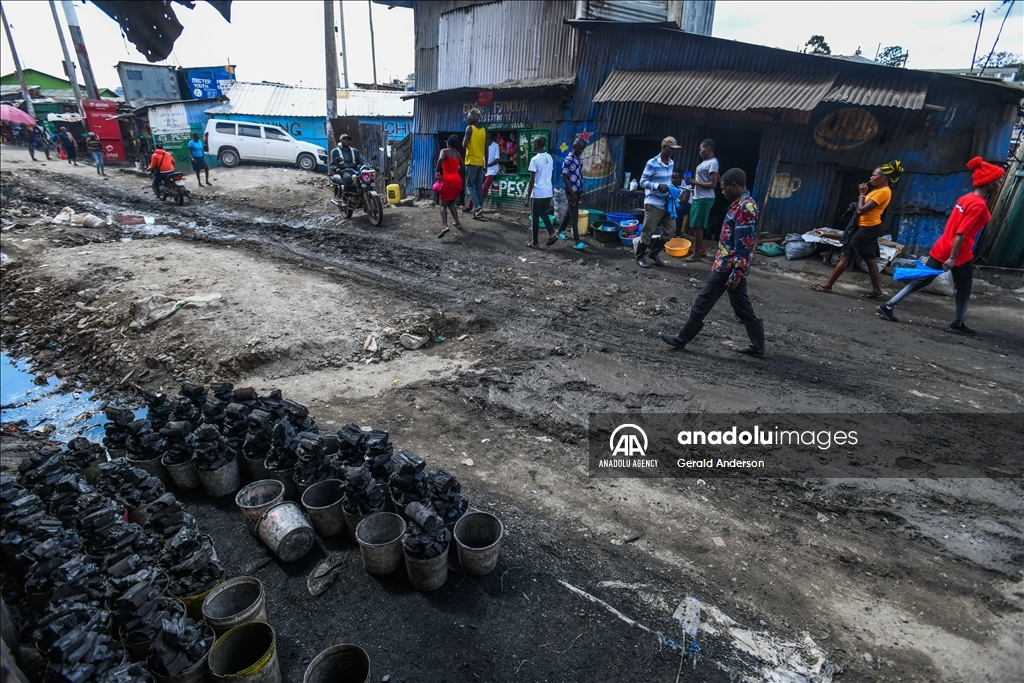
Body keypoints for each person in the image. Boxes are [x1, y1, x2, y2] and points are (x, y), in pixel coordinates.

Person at [876, 157, 1003, 336]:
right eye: (998, 180)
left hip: (943, 245)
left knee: (924, 279)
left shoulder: (966, 198)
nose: (1000, 182)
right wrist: (953, 258)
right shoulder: (978, 205)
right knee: (964, 286)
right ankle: (958, 323)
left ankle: (888, 306)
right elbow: (961, 233)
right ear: (988, 182)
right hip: (958, 252)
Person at [660, 168, 764, 356]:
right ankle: (758, 346)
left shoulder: (745, 207)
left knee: (704, 300)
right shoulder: (739, 204)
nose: (722, 192)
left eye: (724, 189)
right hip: (727, 264)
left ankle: (682, 338)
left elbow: (744, 244)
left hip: (728, 267)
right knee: (742, 307)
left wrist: (736, 272)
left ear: (734, 186)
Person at [812, 160, 903, 298]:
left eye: (874, 175)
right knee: (870, 259)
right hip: (870, 228)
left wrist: (861, 194)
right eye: (872, 175)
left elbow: (861, 210)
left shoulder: (883, 192)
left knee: (845, 255)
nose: (871, 177)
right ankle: (877, 291)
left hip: (867, 229)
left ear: (883, 178)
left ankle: (827, 285)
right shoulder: (879, 190)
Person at [636, 137, 681, 268]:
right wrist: (657, 186)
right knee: (648, 230)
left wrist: (671, 188)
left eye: (674, 149)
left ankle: (653, 253)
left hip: (666, 203)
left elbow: (667, 181)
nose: (673, 151)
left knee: (671, 230)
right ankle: (639, 257)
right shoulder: (652, 163)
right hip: (653, 202)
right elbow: (642, 182)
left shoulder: (671, 163)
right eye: (671, 148)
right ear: (664, 147)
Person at [688, 139, 719, 260]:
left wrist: (693, 182)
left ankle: (696, 254)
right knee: (695, 225)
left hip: (704, 198)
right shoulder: (706, 162)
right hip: (698, 197)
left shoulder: (713, 162)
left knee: (697, 226)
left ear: (709, 148)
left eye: (702, 148)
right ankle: (702, 250)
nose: (700, 151)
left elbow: (713, 184)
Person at [524, 135, 556, 249]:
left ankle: (535, 242)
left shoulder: (534, 159)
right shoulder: (549, 157)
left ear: (536, 144)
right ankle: (552, 233)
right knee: (543, 213)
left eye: (533, 143)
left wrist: (528, 198)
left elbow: (532, 180)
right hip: (548, 192)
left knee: (535, 216)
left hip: (538, 193)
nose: (532, 145)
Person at [557, 138, 588, 251]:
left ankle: (559, 231)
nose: (581, 150)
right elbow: (564, 177)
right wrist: (572, 192)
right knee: (574, 216)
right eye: (579, 148)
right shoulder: (568, 159)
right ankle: (577, 241)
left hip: (578, 189)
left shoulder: (580, 159)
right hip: (571, 191)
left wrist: (581, 190)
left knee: (569, 213)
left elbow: (580, 175)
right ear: (574, 147)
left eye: (582, 148)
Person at [435, 134, 464, 239]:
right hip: (457, 181)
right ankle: (458, 223)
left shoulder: (444, 151)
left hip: (448, 180)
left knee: (442, 205)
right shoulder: (458, 154)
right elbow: (462, 167)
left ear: (448, 143)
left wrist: (437, 170)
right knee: (451, 202)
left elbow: (441, 159)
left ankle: (445, 226)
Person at [462, 108, 487, 219]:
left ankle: (477, 207)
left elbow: (464, 144)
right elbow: (486, 149)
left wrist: (465, 141)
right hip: (480, 162)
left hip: (471, 161)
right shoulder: (483, 130)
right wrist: (485, 163)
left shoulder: (469, 128)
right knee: (478, 187)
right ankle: (478, 210)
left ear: (471, 118)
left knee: (469, 186)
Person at [672, 170, 694, 237]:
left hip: (688, 205)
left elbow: (684, 201)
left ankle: (677, 232)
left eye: (675, 178)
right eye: (672, 178)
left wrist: (674, 204)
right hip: (676, 203)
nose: (673, 180)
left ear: (681, 178)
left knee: (679, 209)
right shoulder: (671, 184)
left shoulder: (687, 185)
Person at [481, 130, 500, 204]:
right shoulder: (482, 146)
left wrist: (487, 165)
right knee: (477, 188)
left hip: (492, 170)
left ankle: (478, 205)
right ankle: (470, 205)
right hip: (483, 170)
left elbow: (497, 160)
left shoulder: (495, 145)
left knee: (484, 188)